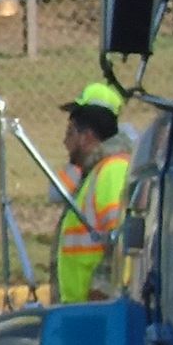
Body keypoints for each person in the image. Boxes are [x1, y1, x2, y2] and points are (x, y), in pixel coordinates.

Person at [55, 80, 132, 304]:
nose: (64, 142)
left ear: (86, 136)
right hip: (83, 310)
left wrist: (100, 294)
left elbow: (120, 242)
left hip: (95, 312)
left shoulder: (112, 171)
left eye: (70, 132)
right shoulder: (95, 173)